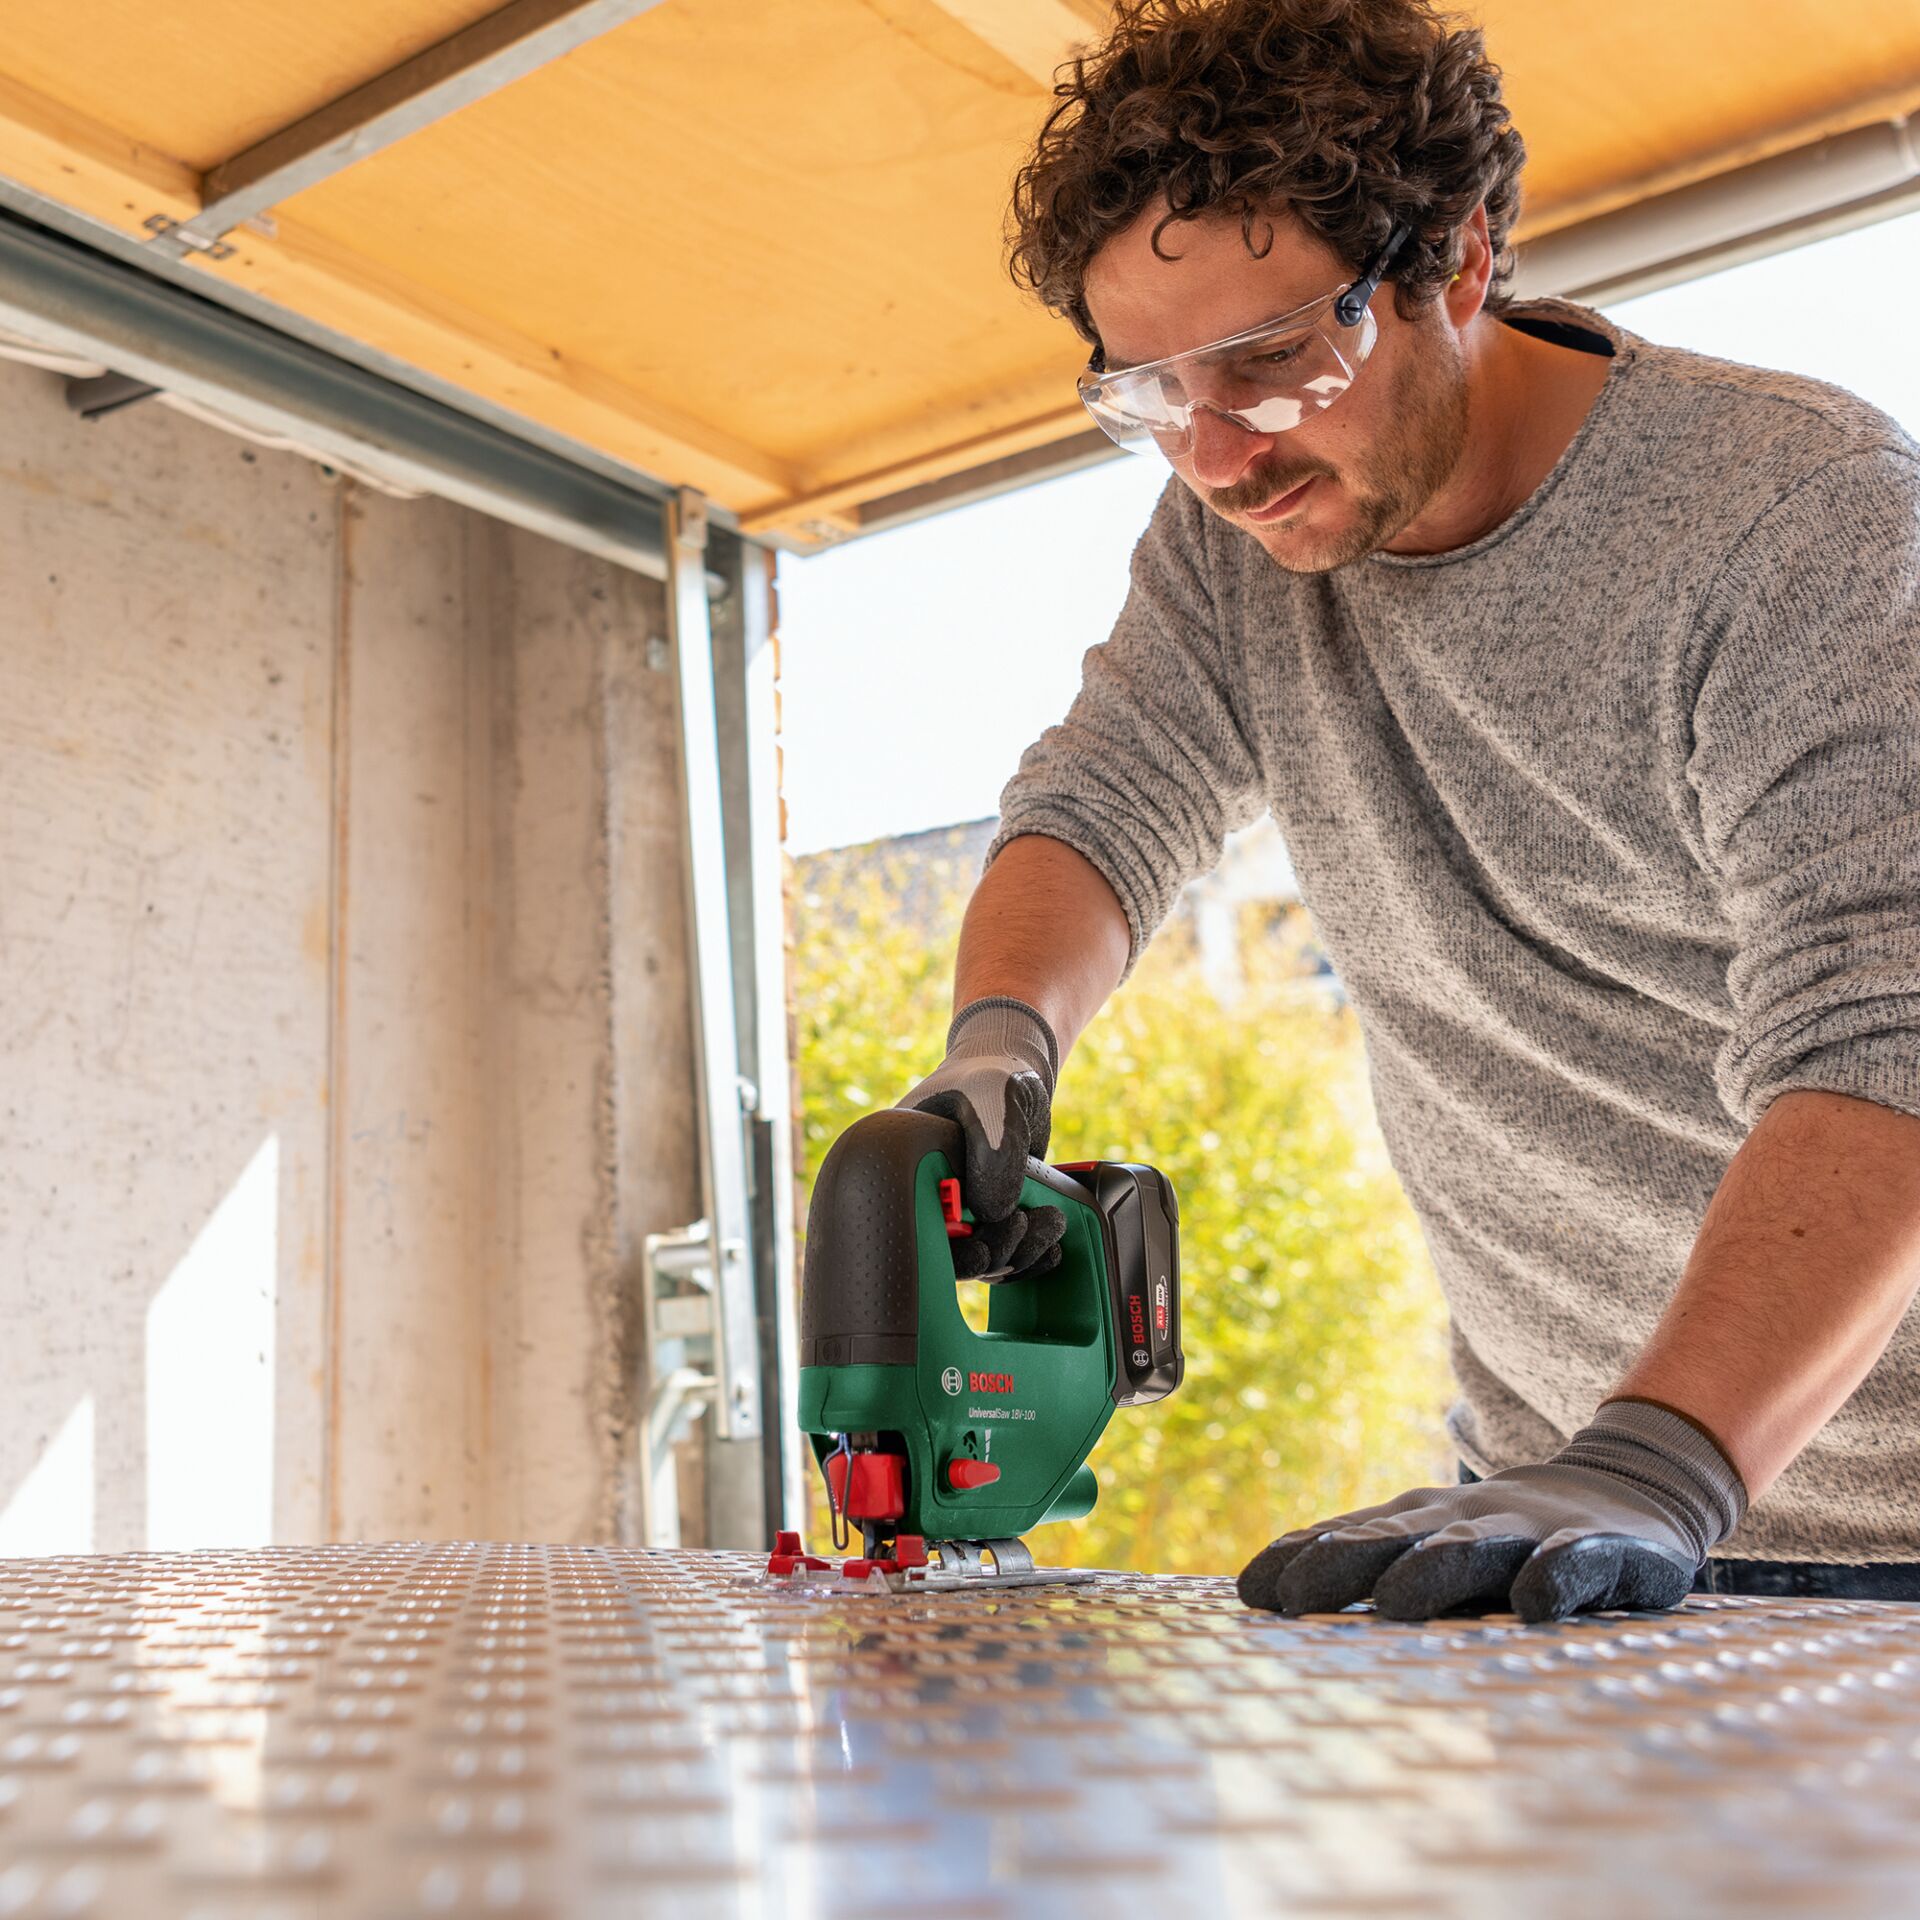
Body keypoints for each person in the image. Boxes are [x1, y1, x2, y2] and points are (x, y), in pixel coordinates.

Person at [898, 0, 1920, 1620]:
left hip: (1815, 1502)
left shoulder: (1796, 521)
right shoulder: (1234, 540)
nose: (1217, 454)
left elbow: (1892, 1039)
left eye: (1273, 361)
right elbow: (1105, 796)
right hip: (1553, 1502)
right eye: (1150, 390)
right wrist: (998, 1044)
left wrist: (1664, 1461)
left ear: (1456, 257)